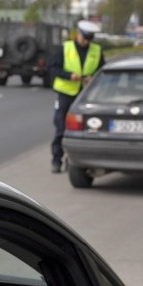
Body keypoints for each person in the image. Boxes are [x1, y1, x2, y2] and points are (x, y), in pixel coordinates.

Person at [50, 20, 105, 173]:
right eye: (84, 38)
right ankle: (56, 160)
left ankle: (73, 160)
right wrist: (69, 75)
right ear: (78, 34)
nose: (86, 42)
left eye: (89, 39)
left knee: (84, 129)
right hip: (66, 94)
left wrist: (92, 77)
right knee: (61, 128)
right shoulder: (66, 48)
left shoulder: (96, 50)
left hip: (86, 95)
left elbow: (102, 71)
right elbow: (53, 68)